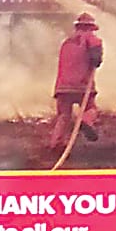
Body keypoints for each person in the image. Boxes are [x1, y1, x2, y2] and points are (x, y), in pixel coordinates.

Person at [48, 11, 103, 149]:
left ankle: (56, 143)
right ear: (90, 27)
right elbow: (96, 58)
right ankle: (85, 121)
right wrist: (97, 58)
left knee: (63, 116)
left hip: (62, 86)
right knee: (91, 109)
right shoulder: (91, 39)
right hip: (82, 85)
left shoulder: (66, 42)